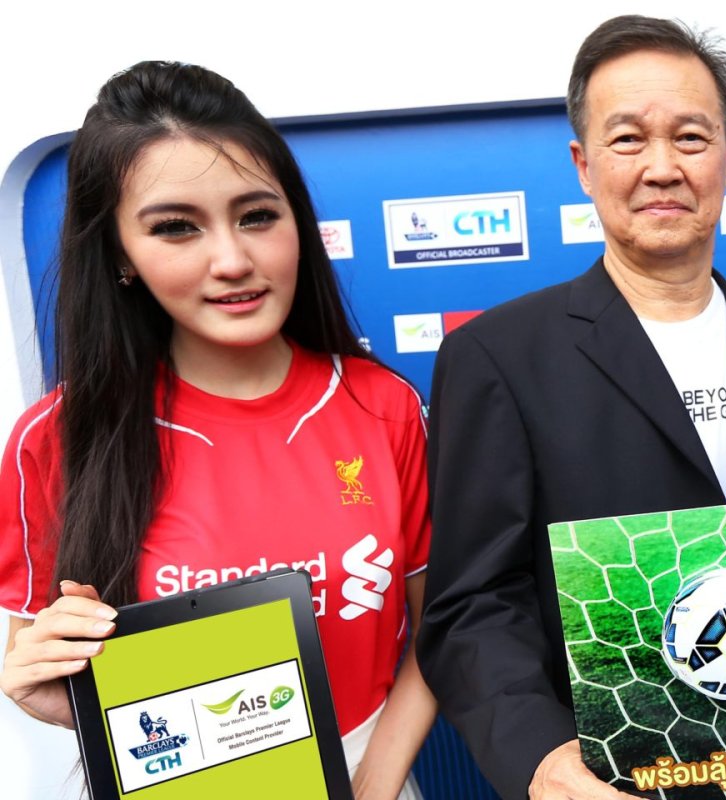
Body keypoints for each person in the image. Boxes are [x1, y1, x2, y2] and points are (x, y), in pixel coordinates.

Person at [0, 62, 435, 798]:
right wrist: (63, 698)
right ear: (120, 254)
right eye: (176, 228)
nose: (233, 261)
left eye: (257, 215)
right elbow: (42, 659)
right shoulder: (55, 437)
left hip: (369, 772)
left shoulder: (382, 406)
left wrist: (372, 783)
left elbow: (440, 630)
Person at [415, 15, 726, 800]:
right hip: (607, 774)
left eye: (691, 139)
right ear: (584, 163)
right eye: (629, 139)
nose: (662, 168)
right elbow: (471, 605)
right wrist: (541, 759)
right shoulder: (497, 357)